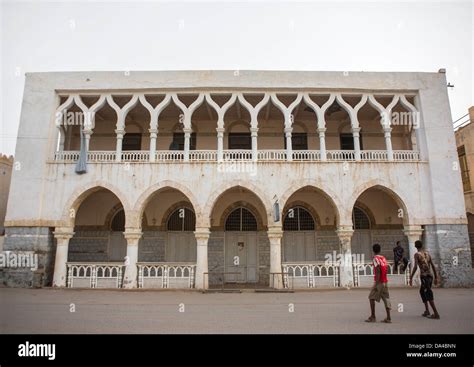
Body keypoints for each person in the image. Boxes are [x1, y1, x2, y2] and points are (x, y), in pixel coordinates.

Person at [409, 240, 440, 319]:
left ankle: (436, 313)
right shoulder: (427, 253)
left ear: (415, 246)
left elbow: (415, 267)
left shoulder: (417, 254)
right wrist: (436, 277)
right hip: (430, 276)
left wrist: (411, 277)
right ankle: (427, 311)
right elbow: (432, 265)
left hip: (424, 276)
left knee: (428, 293)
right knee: (422, 291)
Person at [366, 244, 392, 323]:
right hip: (385, 281)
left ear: (373, 250)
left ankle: (373, 316)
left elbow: (377, 271)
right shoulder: (383, 258)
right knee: (386, 299)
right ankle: (388, 317)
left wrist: (376, 284)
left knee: (371, 297)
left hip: (379, 281)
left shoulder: (375, 258)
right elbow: (385, 269)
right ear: (380, 250)